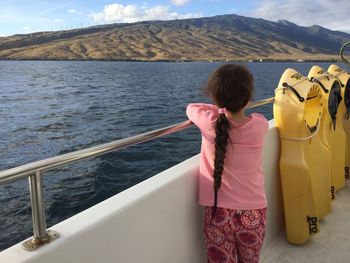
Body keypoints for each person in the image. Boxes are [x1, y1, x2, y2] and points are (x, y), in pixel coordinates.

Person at [186, 64, 268, 263]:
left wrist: (218, 109)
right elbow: (250, 117)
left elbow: (192, 108)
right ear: (248, 98)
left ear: (214, 97)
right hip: (253, 214)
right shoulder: (260, 125)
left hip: (217, 215)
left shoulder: (209, 123)